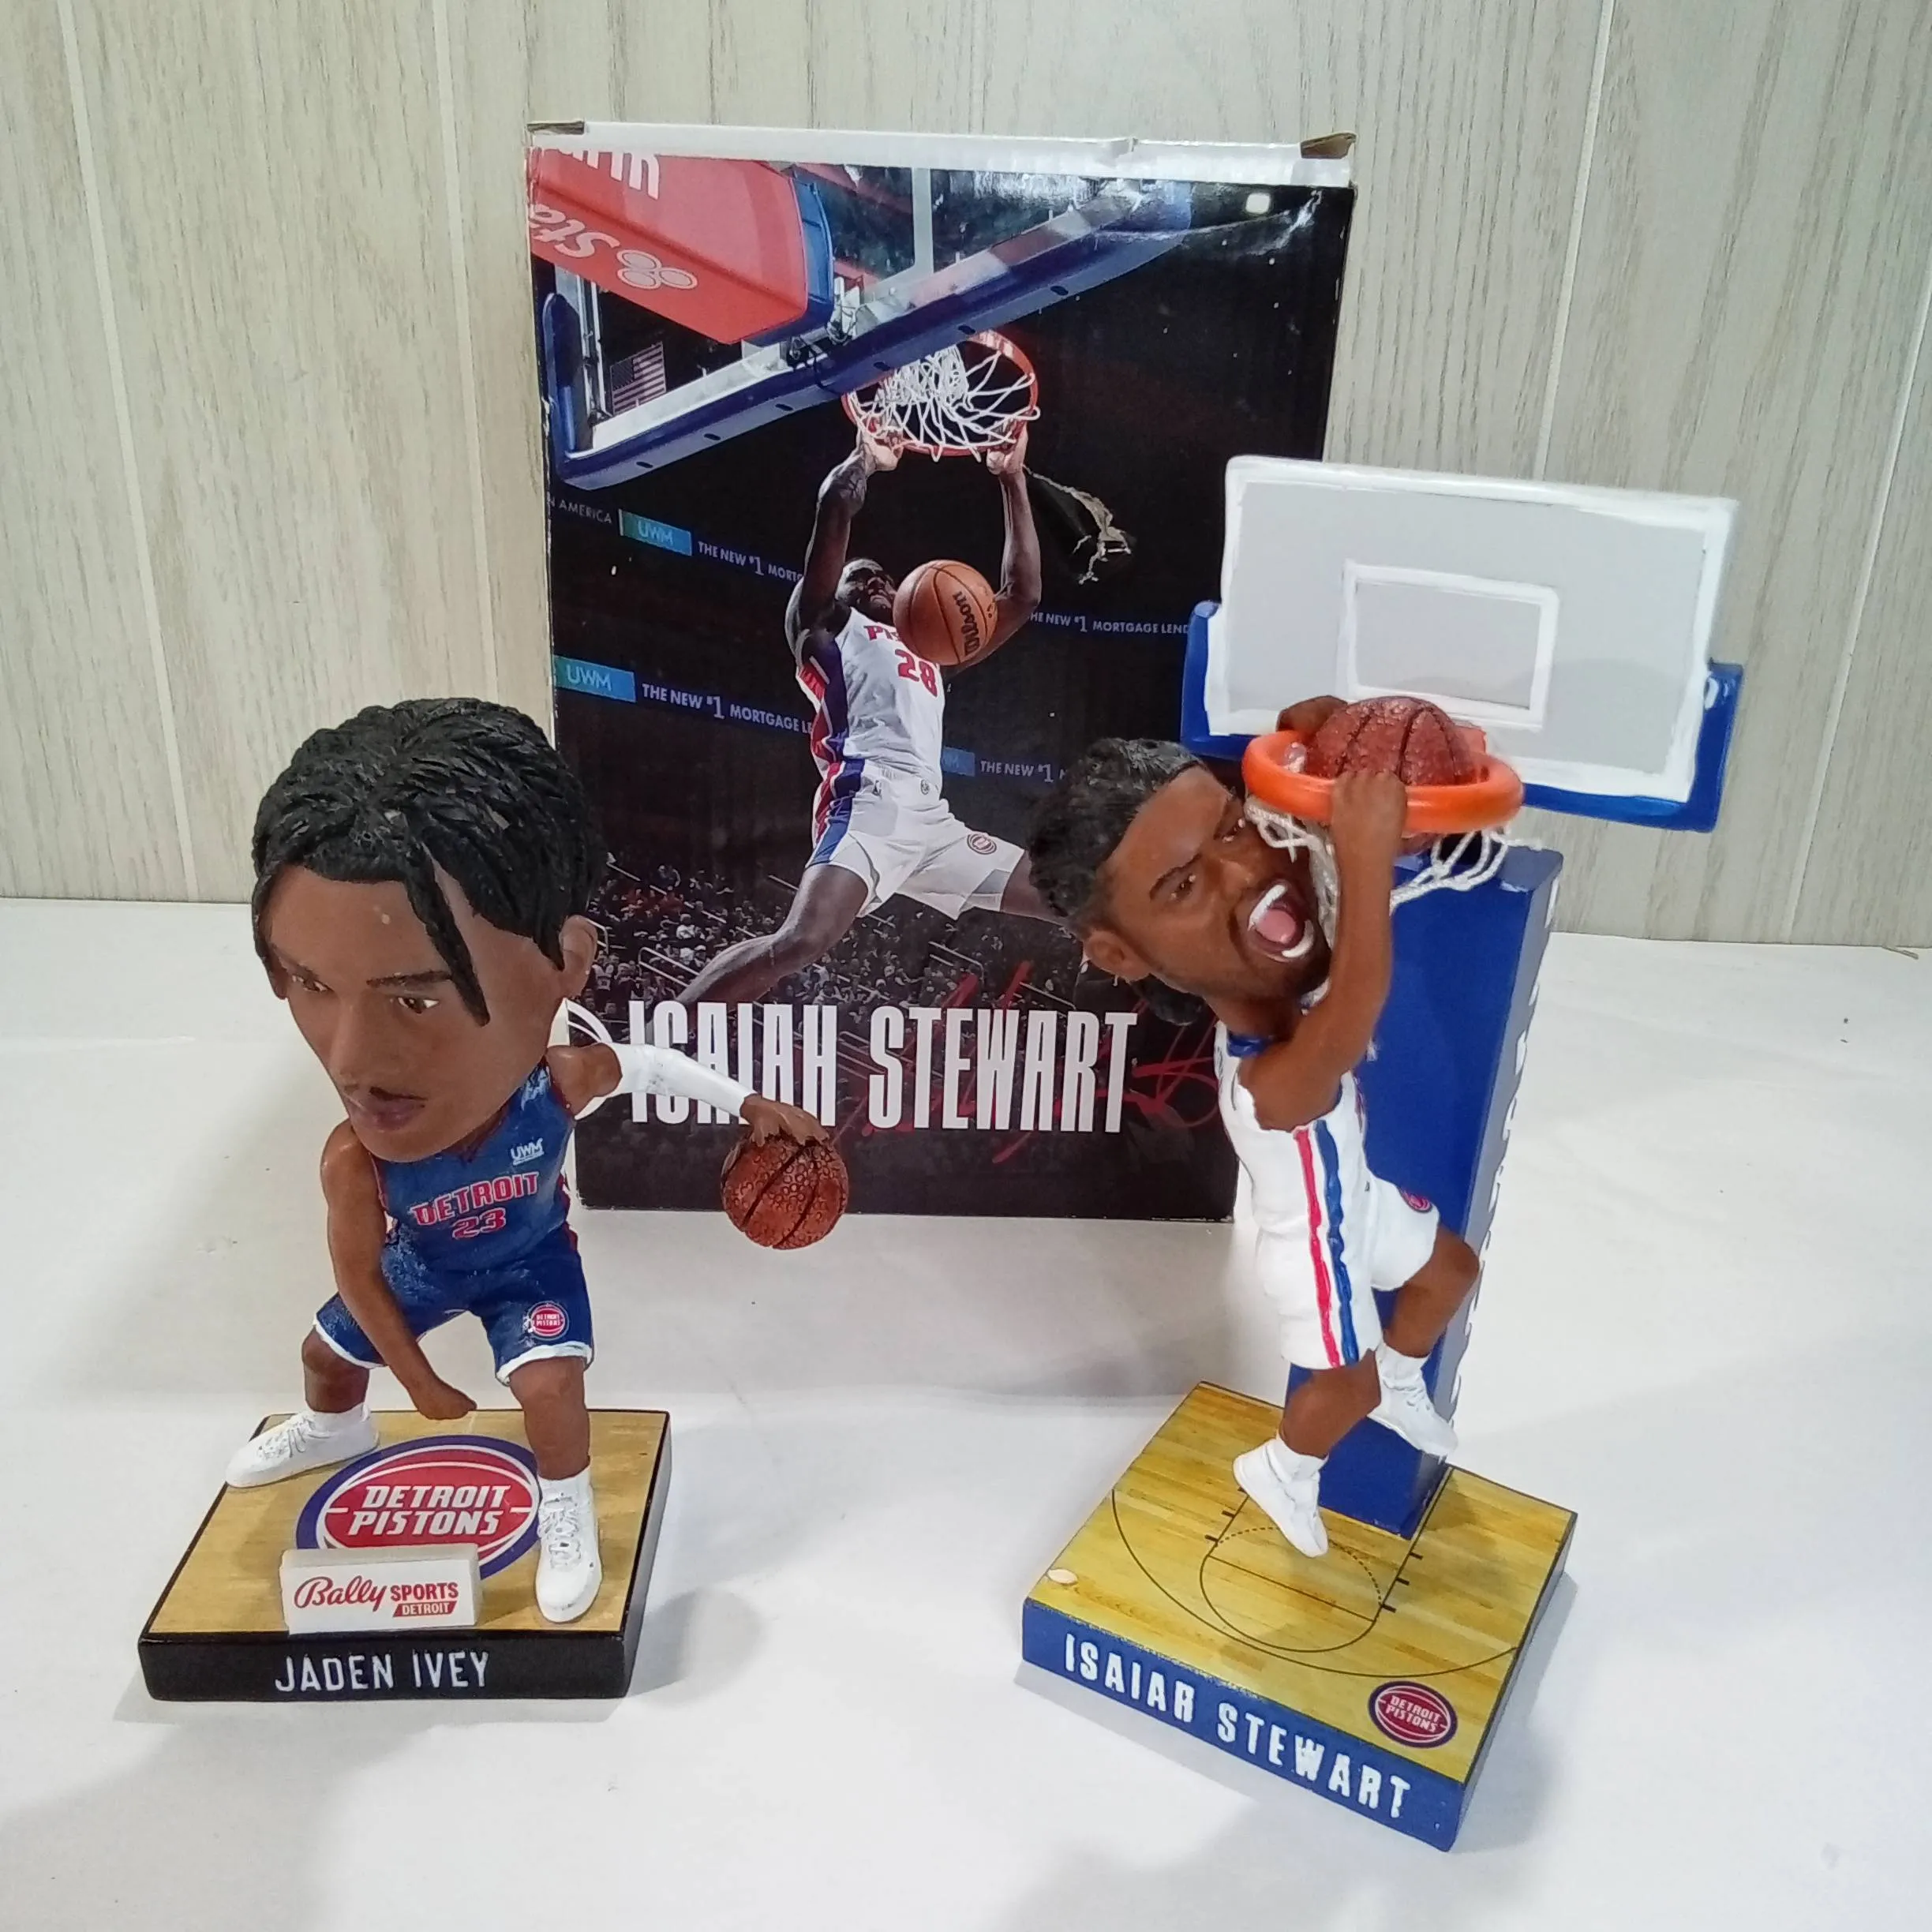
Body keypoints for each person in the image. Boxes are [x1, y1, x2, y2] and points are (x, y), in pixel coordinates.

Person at [227, 699, 824, 1621]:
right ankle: (333, 1429)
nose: (350, 1061)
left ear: (566, 962)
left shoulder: (556, 1083)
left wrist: (750, 1106)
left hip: (527, 1262)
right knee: (324, 1354)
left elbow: (647, 1065)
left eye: (414, 1000)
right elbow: (362, 1276)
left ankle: (566, 1509)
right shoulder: (354, 1160)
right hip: (424, 1267)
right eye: (310, 983)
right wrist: (415, 1379)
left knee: (550, 1390)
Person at [1026, 725, 1480, 1559]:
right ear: (1121, 952)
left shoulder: (1279, 1001)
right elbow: (1354, 1010)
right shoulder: (1270, 1079)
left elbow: (1298, 746)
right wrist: (1367, 859)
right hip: (1316, 1248)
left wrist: (1335, 734)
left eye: (1235, 828)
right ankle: (1283, 1469)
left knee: (1452, 1272)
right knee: (1344, 1384)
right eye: (1184, 884)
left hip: (1357, 1203)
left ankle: (1402, 1380)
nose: (1244, 873)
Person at [679, 425, 1055, 1007]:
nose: (878, 580)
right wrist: (865, 460)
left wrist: (1012, 479)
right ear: (837, 592)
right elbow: (834, 507)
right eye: (862, 576)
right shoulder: (825, 628)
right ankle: (654, 1036)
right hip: (869, 797)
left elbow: (1023, 594)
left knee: (1069, 894)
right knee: (802, 941)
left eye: (885, 576)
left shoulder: (934, 653)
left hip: (932, 820)